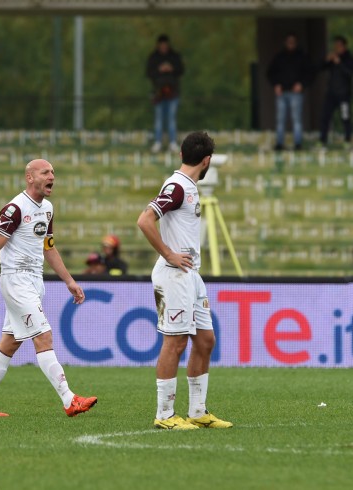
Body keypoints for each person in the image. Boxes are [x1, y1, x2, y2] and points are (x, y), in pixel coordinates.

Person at [0, 159, 97, 417]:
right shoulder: (14, 209)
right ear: (30, 177)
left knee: (10, 342)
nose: (52, 176)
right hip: (16, 280)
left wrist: (69, 281)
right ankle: (69, 400)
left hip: (35, 281)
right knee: (44, 336)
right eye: (46, 172)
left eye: (53, 172)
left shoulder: (47, 208)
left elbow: (48, 247)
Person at [137, 131, 232, 430]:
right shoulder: (178, 187)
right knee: (175, 342)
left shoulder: (186, 187)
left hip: (191, 275)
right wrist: (168, 254)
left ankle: (198, 411)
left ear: (182, 154)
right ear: (206, 161)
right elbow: (144, 220)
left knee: (205, 341)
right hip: (174, 275)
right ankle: (164, 415)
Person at [267, 33, 313, 151]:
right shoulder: (279, 57)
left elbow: (310, 73)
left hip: (296, 94)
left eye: (293, 42)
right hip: (282, 93)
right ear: (285, 43)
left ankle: (298, 144)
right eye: (289, 41)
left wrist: (302, 84)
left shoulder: (302, 57)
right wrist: (276, 84)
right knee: (280, 120)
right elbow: (270, 72)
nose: (290, 44)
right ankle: (279, 144)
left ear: (296, 43)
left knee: (296, 119)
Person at [146, 34, 184, 153]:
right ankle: (158, 142)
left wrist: (171, 68)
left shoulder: (174, 56)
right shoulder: (153, 57)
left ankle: (172, 143)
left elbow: (181, 70)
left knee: (171, 118)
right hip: (158, 93)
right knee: (159, 119)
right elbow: (148, 72)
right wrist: (159, 69)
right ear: (158, 45)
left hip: (173, 92)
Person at [319, 35, 353, 149]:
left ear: (344, 46)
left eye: (339, 46)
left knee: (345, 117)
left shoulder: (348, 59)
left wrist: (339, 63)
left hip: (344, 95)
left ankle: (347, 140)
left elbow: (349, 73)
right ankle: (322, 140)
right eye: (335, 46)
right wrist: (326, 60)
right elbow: (320, 68)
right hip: (331, 94)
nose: (336, 48)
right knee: (325, 117)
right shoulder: (332, 59)